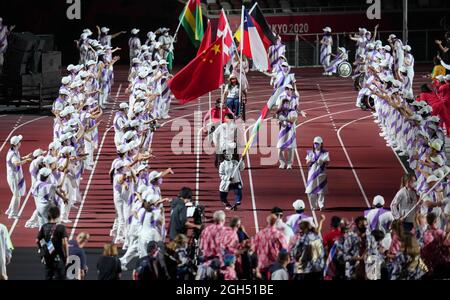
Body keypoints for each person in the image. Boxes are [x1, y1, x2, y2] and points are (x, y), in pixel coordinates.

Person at [36, 206, 69, 280]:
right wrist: (67, 256)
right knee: (61, 276)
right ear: (58, 215)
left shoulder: (44, 227)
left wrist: (41, 250)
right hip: (59, 257)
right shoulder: (61, 227)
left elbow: (37, 240)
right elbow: (64, 243)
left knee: (48, 275)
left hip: (48, 256)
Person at [252, 214, 288, 280]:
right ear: (276, 222)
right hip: (275, 266)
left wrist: (256, 266)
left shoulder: (259, 234)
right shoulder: (279, 234)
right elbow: (284, 249)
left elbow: (254, 250)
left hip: (262, 265)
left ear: (267, 221)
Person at [6, 135, 32, 219]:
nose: (21, 143)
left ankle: (10, 210)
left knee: (16, 194)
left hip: (15, 176)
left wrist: (25, 157)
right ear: (16, 144)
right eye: (19, 141)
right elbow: (16, 162)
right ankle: (13, 214)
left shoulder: (15, 151)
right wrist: (26, 161)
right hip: (13, 177)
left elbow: (19, 158)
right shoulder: (12, 154)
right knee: (17, 195)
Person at [305, 137, 330, 211]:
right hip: (312, 174)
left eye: (317, 143)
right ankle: (314, 206)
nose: (316, 145)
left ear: (321, 144)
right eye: (315, 143)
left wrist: (323, 161)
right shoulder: (310, 152)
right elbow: (307, 163)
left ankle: (321, 205)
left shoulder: (325, 152)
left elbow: (328, 163)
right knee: (311, 190)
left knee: (321, 191)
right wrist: (310, 160)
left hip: (321, 173)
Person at [276, 99, 298, 169]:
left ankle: (289, 164)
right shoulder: (280, 112)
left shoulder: (293, 112)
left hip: (290, 132)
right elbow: (278, 120)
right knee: (279, 148)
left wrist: (285, 119)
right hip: (283, 132)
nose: (287, 105)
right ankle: (282, 163)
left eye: (288, 103)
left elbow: (293, 120)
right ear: (282, 104)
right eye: (285, 103)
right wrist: (279, 121)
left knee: (290, 148)